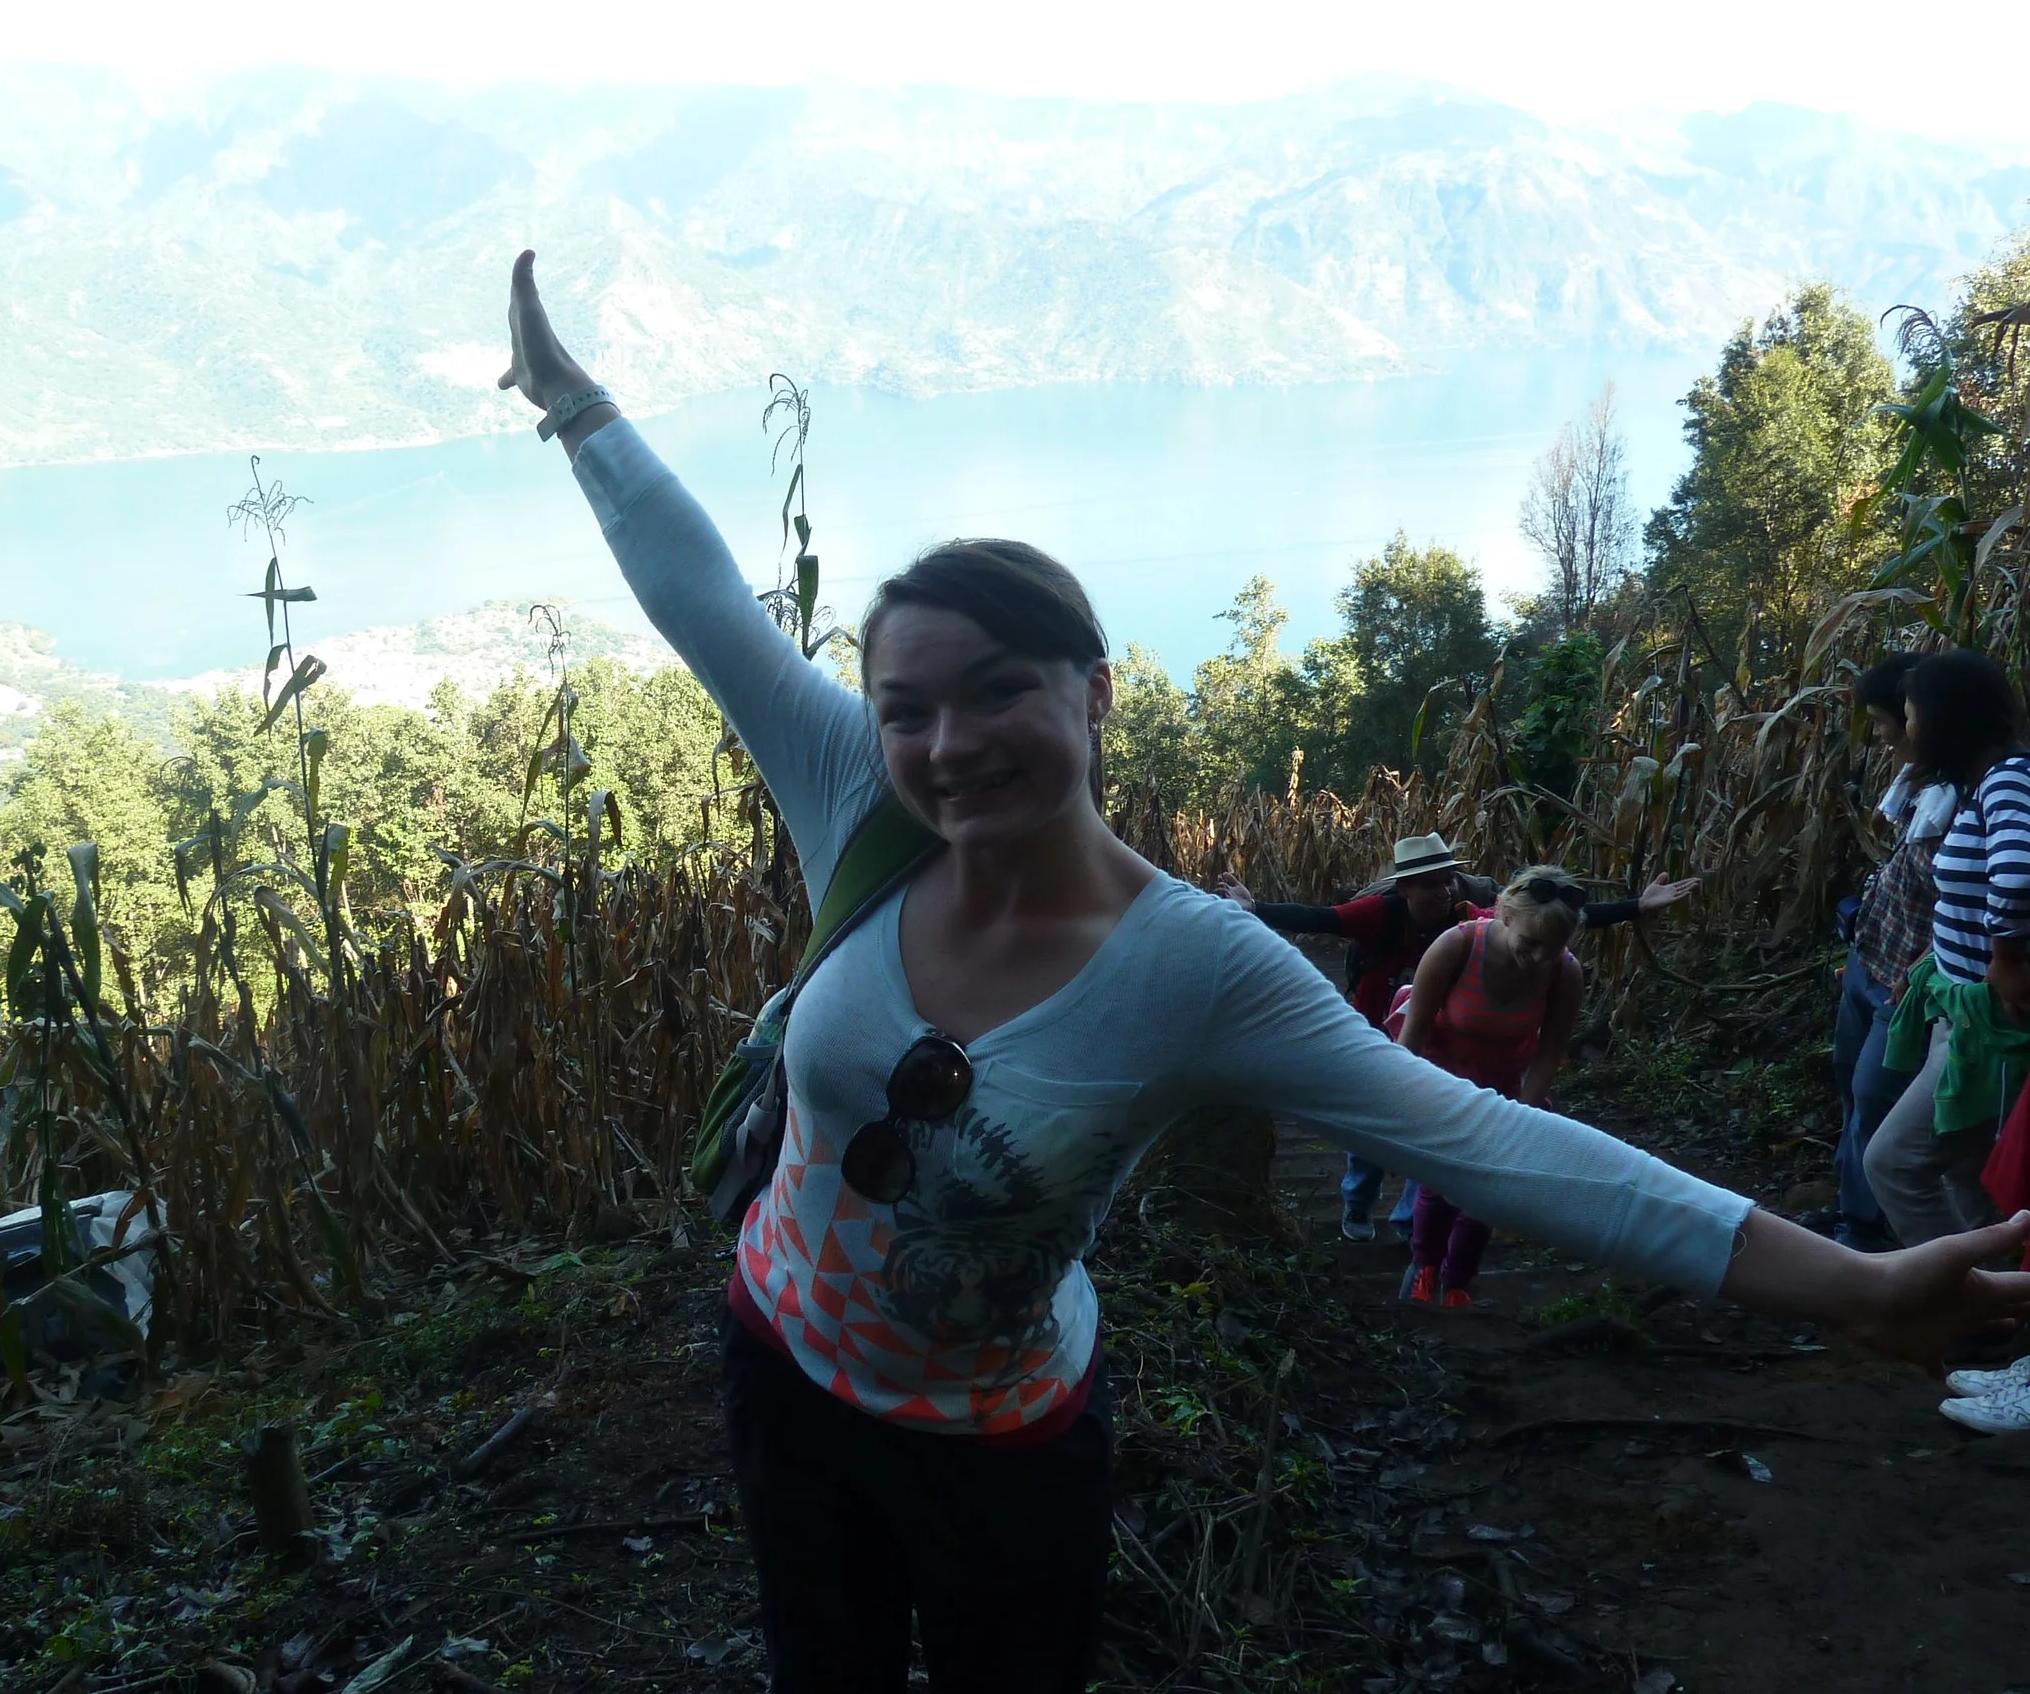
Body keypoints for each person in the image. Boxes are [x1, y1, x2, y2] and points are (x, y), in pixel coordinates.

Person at [499, 251, 2030, 1694]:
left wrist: (1850, 1281)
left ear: (1095, 693)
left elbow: (1489, 1141)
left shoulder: (1198, 967)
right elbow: (697, 594)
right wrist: (575, 406)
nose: (950, 743)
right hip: (780, 1366)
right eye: (909, 705)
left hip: (1005, 1440)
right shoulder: (860, 793)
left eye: (1000, 690)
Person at [1219, 838, 1696, 1240]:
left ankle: (1411, 1228)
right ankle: (1357, 1203)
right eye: (1430, 883)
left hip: (1453, 1048)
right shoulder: (1379, 913)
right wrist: (1256, 908)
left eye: (1448, 879)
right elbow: (1320, 917)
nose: (1444, 890)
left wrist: (1636, 906)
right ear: (1404, 887)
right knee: (1372, 1133)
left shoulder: (1479, 917)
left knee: (1434, 1139)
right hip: (1378, 1032)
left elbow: (1549, 920)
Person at [1865, 649, 2030, 1254]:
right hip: (1959, 1012)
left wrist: (2006, 959)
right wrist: (1932, 960)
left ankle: (1961, 1303)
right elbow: (1970, 896)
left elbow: (2016, 876)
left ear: (1945, 719)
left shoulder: (2010, 779)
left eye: (1910, 716)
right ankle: (2000, 1303)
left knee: (1893, 1163)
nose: (1906, 731)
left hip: (1988, 1026)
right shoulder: (1982, 784)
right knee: (1968, 1172)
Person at [1390, 867, 1585, 1305]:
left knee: (1486, 1190)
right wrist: (1399, 1102)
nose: (1539, 958)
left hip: (1501, 1084)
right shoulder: (1458, 945)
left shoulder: (1564, 972)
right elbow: (1413, 1033)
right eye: (1531, 944)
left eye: (1551, 949)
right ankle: (1423, 1265)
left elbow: (1549, 1052)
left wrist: (1524, 1115)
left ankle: (1457, 1280)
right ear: (1505, 917)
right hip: (1441, 1076)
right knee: (1439, 1183)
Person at [1830, 653, 1956, 1251]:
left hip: (1906, 984)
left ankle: (1891, 1242)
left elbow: (1975, 903)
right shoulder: (1918, 787)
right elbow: (1905, 865)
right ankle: (1855, 1217)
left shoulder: (1977, 795)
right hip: (1869, 958)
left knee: (1878, 1097)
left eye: (1887, 718)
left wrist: (1923, 965)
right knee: (1853, 1086)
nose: (1880, 733)